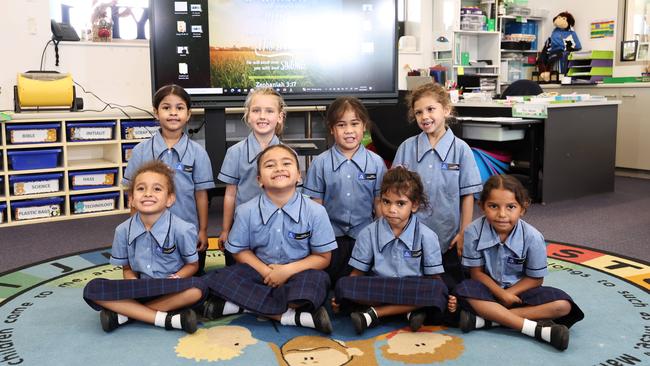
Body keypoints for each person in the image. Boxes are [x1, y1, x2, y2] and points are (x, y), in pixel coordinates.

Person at [201, 145, 337, 333]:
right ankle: (291, 316)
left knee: (317, 282)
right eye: (270, 165)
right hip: (259, 272)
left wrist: (286, 271)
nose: (279, 168)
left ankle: (240, 306)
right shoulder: (246, 211)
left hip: (298, 272)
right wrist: (266, 272)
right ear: (259, 180)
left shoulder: (316, 211)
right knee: (216, 278)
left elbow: (323, 258)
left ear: (299, 176)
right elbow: (240, 251)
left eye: (286, 163)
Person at [454, 174, 584, 351]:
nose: (502, 214)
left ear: (523, 208)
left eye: (511, 207)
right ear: (482, 206)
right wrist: (501, 294)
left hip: (520, 293)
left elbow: (536, 279)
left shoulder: (533, 237)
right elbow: (476, 273)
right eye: (493, 206)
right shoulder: (472, 232)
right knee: (464, 289)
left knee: (563, 305)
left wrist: (509, 294)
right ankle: (534, 329)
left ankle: (488, 320)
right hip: (487, 290)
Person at [83, 160, 207, 333]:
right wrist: (132, 281)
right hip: (140, 287)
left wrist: (176, 278)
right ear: (132, 199)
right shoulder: (122, 231)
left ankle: (127, 314)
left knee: (198, 288)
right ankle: (166, 318)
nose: (148, 193)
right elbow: (127, 268)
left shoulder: (183, 229)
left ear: (170, 199)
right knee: (93, 288)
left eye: (157, 189)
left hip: (170, 287)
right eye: (141, 188)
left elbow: (192, 265)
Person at [333, 166, 449, 335]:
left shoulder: (427, 235)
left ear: (414, 205)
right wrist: (342, 295)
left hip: (411, 287)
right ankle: (410, 311)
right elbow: (357, 274)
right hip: (381, 286)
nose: (392, 209)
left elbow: (434, 278)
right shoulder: (369, 232)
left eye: (400, 203)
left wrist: (445, 294)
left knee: (440, 290)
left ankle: (375, 314)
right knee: (343, 285)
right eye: (386, 202)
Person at [392, 82, 482, 288]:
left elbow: (467, 195)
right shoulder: (406, 148)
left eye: (431, 109)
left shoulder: (462, 150)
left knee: (450, 288)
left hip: (447, 238)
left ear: (446, 110)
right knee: (411, 282)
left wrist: (463, 233)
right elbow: (394, 192)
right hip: (410, 234)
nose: (425, 117)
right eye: (418, 112)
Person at [123, 84, 215, 275]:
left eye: (179, 108)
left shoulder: (198, 153)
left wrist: (203, 231)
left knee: (193, 281)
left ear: (188, 114)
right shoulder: (141, 151)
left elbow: (201, 195)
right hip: (149, 230)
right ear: (156, 113)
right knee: (149, 278)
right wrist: (134, 228)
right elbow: (132, 195)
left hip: (188, 231)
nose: (173, 113)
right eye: (166, 108)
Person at [302, 97, 387, 285]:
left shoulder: (376, 163)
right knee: (321, 278)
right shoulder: (320, 163)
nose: (349, 131)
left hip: (364, 234)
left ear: (364, 126)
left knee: (369, 277)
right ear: (332, 129)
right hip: (330, 236)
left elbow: (379, 201)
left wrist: (383, 235)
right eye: (341, 125)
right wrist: (316, 239)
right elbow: (316, 205)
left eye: (355, 123)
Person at [218, 87, 286, 265]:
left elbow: (294, 195)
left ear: (280, 116)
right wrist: (226, 230)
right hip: (244, 228)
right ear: (248, 115)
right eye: (256, 110)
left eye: (269, 111)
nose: (262, 116)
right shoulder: (235, 152)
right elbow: (230, 194)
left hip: (278, 227)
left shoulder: (288, 154)